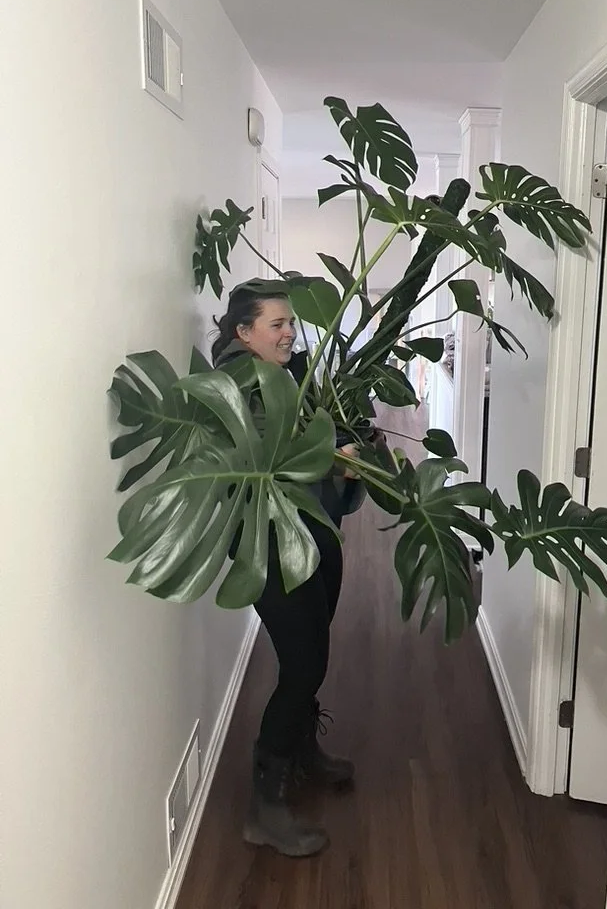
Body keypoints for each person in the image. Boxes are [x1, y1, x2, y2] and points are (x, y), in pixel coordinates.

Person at [211, 284, 361, 857]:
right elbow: (263, 462)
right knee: (304, 666)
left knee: (312, 653)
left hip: (311, 532)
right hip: (270, 545)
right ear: (243, 333)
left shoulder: (286, 376)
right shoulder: (232, 389)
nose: (289, 332)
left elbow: (305, 446)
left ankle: (301, 753)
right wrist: (325, 458)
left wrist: (342, 461)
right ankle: (264, 809)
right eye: (276, 324)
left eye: (291, 323)